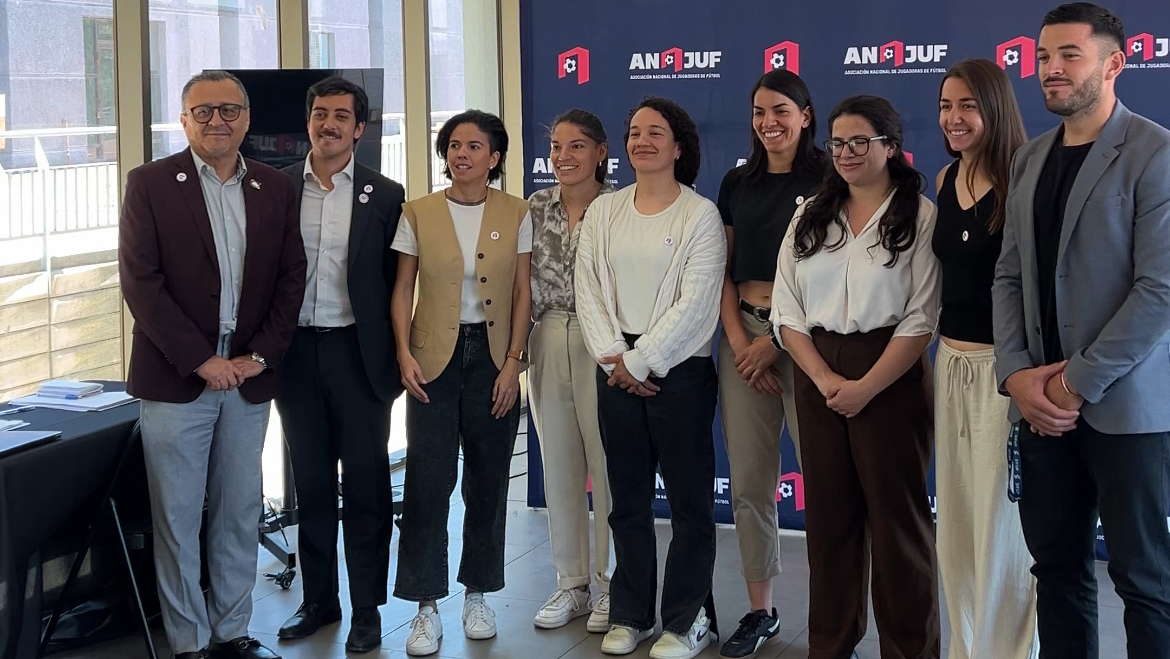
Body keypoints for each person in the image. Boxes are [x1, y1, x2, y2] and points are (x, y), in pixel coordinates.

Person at [992, 4, 1170, 657]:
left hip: (1124, 412)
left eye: (1069, 55)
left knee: (1145, 582)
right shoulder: (1030, 158)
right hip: (1039, 410)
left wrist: (1073, 383)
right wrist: (1015, 373)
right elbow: (1008, 275)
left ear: (1114, 63)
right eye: (1043, 56)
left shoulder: (1155, 152)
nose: (1051, 69)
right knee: (1058, 573)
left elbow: (1160, 291)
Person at [118, 70, 305, 659]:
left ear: (246, 119)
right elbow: (140, 282)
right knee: (177, 517)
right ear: (184, 120)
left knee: (239, 510)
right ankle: (189, 644)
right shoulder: (149, 183)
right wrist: (200, 360)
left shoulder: (274, 186)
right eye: (203, 111)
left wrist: (259, 356)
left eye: (228, 110)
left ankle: (232, 632)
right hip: (177, 378)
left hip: (247, 377)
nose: (216, 121)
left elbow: (290, 278)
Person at [772, 94, 941, 659]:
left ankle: (909, 649)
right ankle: (830, 645)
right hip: (816, 372)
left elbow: (921, 316)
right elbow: (786, 309)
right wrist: (823, 379)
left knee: (898, 525)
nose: (846, 153)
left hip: (890, 375)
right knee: (829, 523)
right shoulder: (810, 213)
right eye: (838, 143)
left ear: (890, 147)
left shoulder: (919, 215)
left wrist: (866, 387)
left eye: (860, 142)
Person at [576, 96, 726, 659]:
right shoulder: (604, 211)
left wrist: (641, 363)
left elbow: (696, 303)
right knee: (627, 501)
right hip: (613, 367)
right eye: (635, 132)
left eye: (655, 132)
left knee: (689, 503)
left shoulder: (699, 215)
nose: (642, 141)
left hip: (679, 371)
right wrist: (615, 359)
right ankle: (631, 613)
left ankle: (687, 621)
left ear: (679, 146)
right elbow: (588, 289)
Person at [390, 110, 532, 657]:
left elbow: (522, 292)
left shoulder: (516, 212)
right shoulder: (418, 212)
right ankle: (425, 605)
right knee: (428, 480)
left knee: (488, 478)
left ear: (494, 158)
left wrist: (513, 363)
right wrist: (403, 352)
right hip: (433, 359)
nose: (461, 154)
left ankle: (478, 593)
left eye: (474, 146)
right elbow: (403, 288)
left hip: (493, 357)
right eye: (453, 145)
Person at [273, 76, 405, 654]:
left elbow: (399, 283)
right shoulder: (275, 188)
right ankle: (319, 600)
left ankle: (366, 609)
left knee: (368, 486)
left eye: (341, 116)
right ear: (308, 121)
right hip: (296, 354)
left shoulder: (387, 194)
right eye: (320, 113)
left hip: (359, 355)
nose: (328, 124)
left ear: (360, 127)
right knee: (310, 484)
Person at [715, 70, 827, 659]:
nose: (769, 122)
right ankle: (761, 611)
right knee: (751, 484)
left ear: (805, 116)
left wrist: (777, 343)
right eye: (760, 111)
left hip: (807, 343)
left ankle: (835, 614)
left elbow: (834, 275)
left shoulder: (832, 178)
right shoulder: (737, 182)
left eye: (781, 110)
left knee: (827, 481)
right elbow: (721, 271)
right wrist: (741, 343)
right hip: (744, 341)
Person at [932, 59, 1038, 659]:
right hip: (949, 365)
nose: (954, 117)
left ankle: (1010, 651)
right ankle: (966, 649)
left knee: (1002, 530)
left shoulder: (1023, 176)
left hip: (1005, 373)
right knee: (958, 525)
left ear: (994, 108)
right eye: (946, 106)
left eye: (967, 105)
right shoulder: (945, 178)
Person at [527, 109, 616, 633]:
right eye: (556, 146)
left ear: (601, 152)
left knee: (606, 465)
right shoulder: (534, 206)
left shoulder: (621, 206)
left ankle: (610, 585)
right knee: (558, 464)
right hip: (546, 332)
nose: (563, 156)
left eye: (576, 146)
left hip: (603, 340)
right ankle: (572, 584)